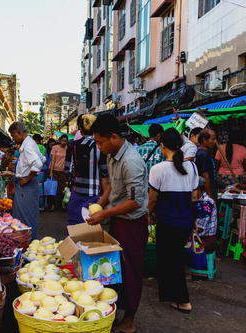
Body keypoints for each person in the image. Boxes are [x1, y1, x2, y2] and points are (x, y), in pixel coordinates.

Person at [87, 114, 148, 333]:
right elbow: (113, 186)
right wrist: (100, 204)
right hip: (117, 219)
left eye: (100, 142)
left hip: (132, 223)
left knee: (131, 270)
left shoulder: (131, 161)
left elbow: (135, 201)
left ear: (114, 137)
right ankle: (115, 312)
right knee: (115, 269)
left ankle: (129, 320)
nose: (99, 146)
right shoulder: (112, 155)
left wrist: (104, 214)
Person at [148, 128, 199, 314]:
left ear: (162, 147)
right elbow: (194, 197)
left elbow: (152, 199)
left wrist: (148, 213)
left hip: (167, 221)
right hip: (184, 220)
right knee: (175, 258)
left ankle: (183, 300)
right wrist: (194, 220)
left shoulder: (158, 169)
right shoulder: (192, 167)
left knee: (170, 260)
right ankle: (173, 296)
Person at [65, 114, 108, 225]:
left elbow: (68, 171)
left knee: (75, 228)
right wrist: (104, 199)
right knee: (91, 229)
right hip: (94, 196)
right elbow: (105, 173)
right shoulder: (100, 146)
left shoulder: (72, 145)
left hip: (76, 194)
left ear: (80, 128)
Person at [9, 122, 43, 239]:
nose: (13, 139)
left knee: (25, 218)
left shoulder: (28, 146)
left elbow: (38, 163)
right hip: (27, 184)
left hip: (26, 185)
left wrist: (27, 178)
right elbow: (42, 159)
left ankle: (29, 244)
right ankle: (28, 244)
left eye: (13, 136)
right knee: (26, 217)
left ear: (19, 132)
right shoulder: (29, 143)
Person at [195, 177, 217, 254]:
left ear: (199, 190)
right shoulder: (199, 200)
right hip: (199, 237)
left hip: (205, 240)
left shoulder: (206, 203)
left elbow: (200, 228)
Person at [48, 134, 69, 211]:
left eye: (65, 141)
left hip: (63, 172)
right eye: (62, 140)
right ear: (60, 140)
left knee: (62, 189)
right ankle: (53, 206)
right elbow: (52, 160)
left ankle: (60, 206)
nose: (64, 142)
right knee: (54, 189)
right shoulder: (55, 148)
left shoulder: (68, 148)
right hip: (55, 171)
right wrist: (51, 172)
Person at [195, 128, 217, 199]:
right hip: (205, 192)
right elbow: (206, 176)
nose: (215, 141)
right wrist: (210, 196)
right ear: (204, 140)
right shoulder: (203, 154)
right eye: (212, 139)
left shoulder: (205, 153)